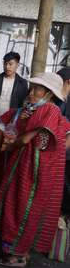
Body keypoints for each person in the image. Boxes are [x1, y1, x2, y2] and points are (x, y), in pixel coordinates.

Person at [0, 72, 70, 268]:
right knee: (17, 204)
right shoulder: (35, 110)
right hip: (24, 166)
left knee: (22, 207)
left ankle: (17, 255)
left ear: (50, 93)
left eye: (38, 89)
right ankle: (19, 252)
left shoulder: (50, 111)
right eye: (32, 88)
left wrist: (10, 146)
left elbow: (26, 139)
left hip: (34, 171)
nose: (32, 92)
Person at [57, 67, 70, 215]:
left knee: (66, 185)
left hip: (65, 153)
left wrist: (59, 153)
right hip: (61, 152)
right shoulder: (61, 98)